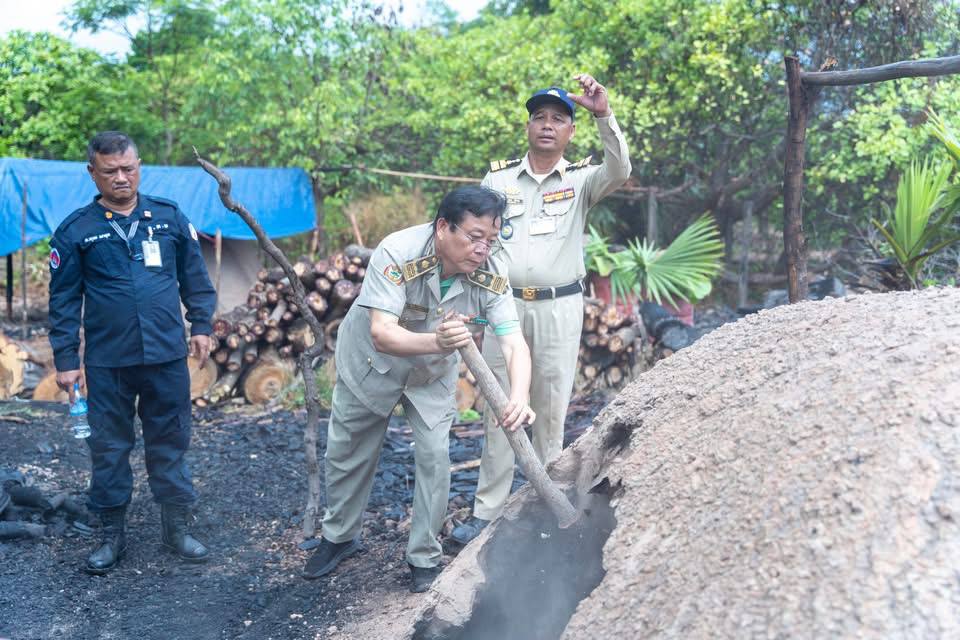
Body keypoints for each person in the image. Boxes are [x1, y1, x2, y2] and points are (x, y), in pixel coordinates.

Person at [302, 185, 535, 593]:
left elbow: (513, 339)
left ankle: (423, 556)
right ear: (444, 227)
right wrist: (440, 342)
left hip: (430, 373)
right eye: (474, 236)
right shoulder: (398, 252)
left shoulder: (492, 270)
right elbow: (382, 333)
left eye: (491, 239)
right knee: (347, 452)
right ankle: (339, 537)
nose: (483, 248)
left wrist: (519, 395)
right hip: (373, 363)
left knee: (435, 456)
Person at [451, 74, 632, 544]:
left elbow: (621, 170)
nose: (547, 125)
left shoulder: (581, 181)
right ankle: (487, 511)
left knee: (550, 409)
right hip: (504, 305)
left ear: (570, 131)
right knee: (498, 407)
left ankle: (543, 508)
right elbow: (476, 238)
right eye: (539, 118)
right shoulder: (497, 178)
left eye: (558, 119)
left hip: (559, 308)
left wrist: (603, 115)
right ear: (528, 126)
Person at [48, 131, 216, 574]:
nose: (122, 178)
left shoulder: (168, 217)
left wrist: (201, 325)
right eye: (110, 171)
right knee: (109, 447)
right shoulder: (76, 231)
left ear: (139, 165)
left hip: (164, 356)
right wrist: (66, 361)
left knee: (170, 441)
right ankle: (111, 536)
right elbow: (63, 302)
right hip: (108, 362)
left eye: (129, 168)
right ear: (93, 173)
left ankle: (176, 529)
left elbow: (194, 278)